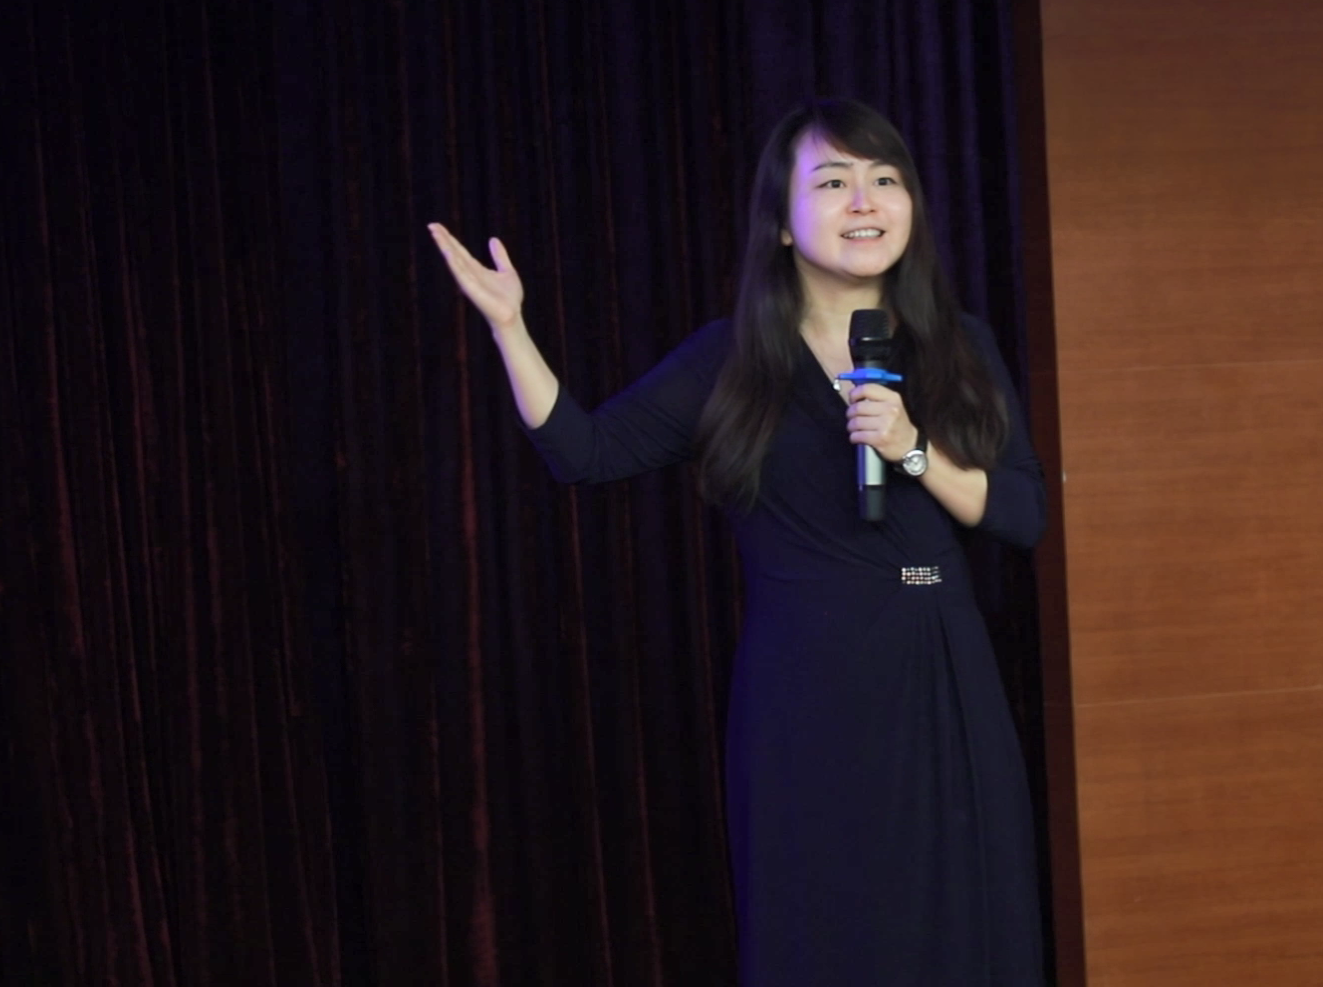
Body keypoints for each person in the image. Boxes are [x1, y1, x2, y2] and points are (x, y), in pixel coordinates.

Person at [427, 97, 1046, 985]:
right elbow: (584, 453)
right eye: (832, 182)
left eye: (885, 179)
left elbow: (1022, 511)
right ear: (782, 224)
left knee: (966, 925)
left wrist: (913, 449)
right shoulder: (732, 359)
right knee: (827, 926)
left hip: (942, 667)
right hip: (809, 685)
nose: (865, 201)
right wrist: (510, 328)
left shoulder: (961, 347)